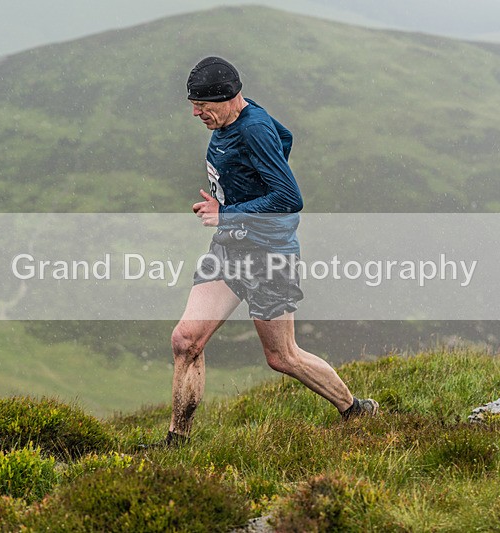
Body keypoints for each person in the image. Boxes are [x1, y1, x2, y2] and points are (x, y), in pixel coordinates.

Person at [151, 56, 377, 448]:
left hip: (269, 255)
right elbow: (285, 137)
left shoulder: (253, 128)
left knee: (282, 356)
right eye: (193, 104)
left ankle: (354, 408)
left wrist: (228, 212)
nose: (195, 113)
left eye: (202, 104)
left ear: (227, 98)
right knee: (186, 340)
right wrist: (240, 200)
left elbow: (289, 198)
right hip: (229, 249)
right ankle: (177, 442)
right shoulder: (236, 118)